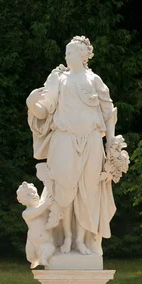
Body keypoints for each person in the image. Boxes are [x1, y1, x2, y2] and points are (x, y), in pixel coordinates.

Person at [26, 36, 117, 256]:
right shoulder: (58, 79)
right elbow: (43, 111)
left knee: (89, 191)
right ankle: (65, 238)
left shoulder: (95, 80)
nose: (66, 55)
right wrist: (31, 103)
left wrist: (111, 143)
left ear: (82, 55)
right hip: (64, 140)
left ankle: (82, 240)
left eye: (70, 52)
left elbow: (108, 113)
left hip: (93, 141)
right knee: (64, 191)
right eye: (66, 52)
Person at [16, 182, 56, 268]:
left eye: (34, 192)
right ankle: (35, 261)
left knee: (50, 248)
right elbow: (37, 212)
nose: (33, 195)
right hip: (32, 242)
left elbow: (45, 194)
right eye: (28, 195)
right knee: (30, 257)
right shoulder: (26, 213)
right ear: (21, 201)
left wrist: (47, 184)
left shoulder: (42, 205)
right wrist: (45, 204)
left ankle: (43, 258)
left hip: (45, 241)